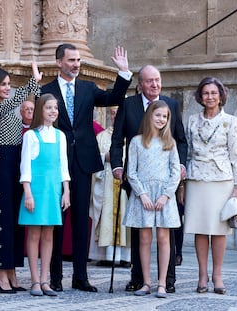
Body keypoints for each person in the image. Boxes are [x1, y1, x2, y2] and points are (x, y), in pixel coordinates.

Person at [41, 43, 132, 292]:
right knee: (56, 220)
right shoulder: (45, 91)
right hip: (55, 163)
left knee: (81, 220)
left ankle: (80, 276)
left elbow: (113, 98)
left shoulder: (88, 88)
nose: (76, 64)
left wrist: (123, 73)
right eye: (71, 60)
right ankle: (55, 277)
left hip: (82, 162)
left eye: (78, 60)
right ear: (59, 62)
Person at [110, 65, 187, 293]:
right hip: (137, 181)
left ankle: (167, 280)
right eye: (150, 81)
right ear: (141, 84)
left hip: (165, 184)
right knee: (140, 233)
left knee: (167, 235)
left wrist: (181, 165)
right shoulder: (128, 105)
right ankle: (139, 279)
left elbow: (181, 139)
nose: (155, 84)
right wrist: (117, 165)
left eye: (158, 80)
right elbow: (117, 139)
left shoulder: (170, 105)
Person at [0, 62, 42, 294]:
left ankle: (13, 270)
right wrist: (33, 82)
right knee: (4, 222)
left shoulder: (6, 106)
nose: (7, 88)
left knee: (16, 221)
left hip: (17, 162)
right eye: (3, 84)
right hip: (2, 163)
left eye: (8, 84)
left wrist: (37, 88)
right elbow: (17, 102)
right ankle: (1, 273)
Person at [183, 77, 237, 295]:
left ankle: (217, 276)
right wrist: (182, 183)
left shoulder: (230, 121)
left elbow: (236, 155)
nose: (210, 97)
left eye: (214, 93)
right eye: (206, 93)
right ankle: (202, 275)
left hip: (222, 180)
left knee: (219, 230)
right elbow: (187, 152)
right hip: (196, 179)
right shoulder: (191, 120)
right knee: (200, 229)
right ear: (200, 96)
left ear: (221, 96)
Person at [123, 100, 181, 298]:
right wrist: (142, 194)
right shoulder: (137, 142)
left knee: (164, 238)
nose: (161, 119)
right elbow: (131, 172)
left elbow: (175, 172)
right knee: (145, 238)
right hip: (144, 196)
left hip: (164, 195)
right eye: (158, 115)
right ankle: (146, 282)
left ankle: (162, 283)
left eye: (165, 116)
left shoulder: (170, 143)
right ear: (149, 116)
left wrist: (166, 195)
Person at [18, 93, 71, 297]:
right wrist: (28, 193)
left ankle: (45, 279)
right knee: (34, 235)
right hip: (36, 190)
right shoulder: (31, 136)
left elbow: (63, 166)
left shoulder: (60, 136)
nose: (53, 111)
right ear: (41, 110)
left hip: (53, 189)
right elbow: (26, 167)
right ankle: (34, 280)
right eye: (49, 107)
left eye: (55, 108)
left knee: (49, 235)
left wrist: (66, 191)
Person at [89, 106, 131, 267]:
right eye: (113, 113)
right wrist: (104, 157)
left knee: (125, 216)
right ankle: (105, 255)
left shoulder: (131, 135)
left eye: (119, 113)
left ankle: (125, 257)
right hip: (106, 182)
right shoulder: (101, 137)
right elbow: (94, 159)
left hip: (125, 183)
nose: (115, 116)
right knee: (106, 214)